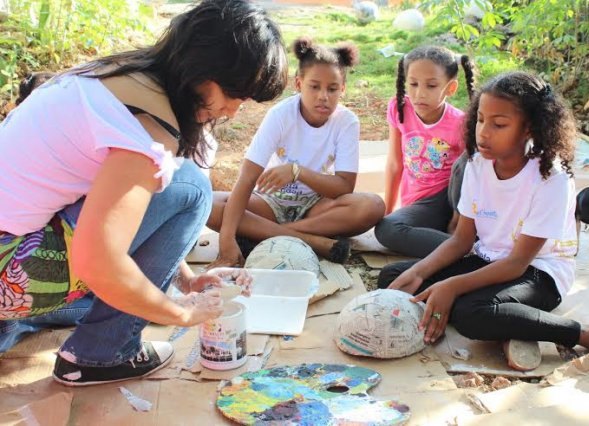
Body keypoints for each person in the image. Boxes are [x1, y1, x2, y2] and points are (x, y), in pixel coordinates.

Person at [0, 0, 287, 385]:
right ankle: (101, 354)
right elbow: (97, 261)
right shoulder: (145, 129)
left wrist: (184, 281)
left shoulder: (118, 75)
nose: (233, 111)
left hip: (13, 251)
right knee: (191, 187)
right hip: (12, 268)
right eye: (234, 93)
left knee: (121, 282)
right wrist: (182, 313)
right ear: (203, 69)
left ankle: (29, 319)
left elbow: (109, 208)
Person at [378, 71, 589, 374]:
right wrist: (419, 271)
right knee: (395, 277)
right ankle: (513, 325)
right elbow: (462, 241)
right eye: (480, 120)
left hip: (540, 274)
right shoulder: (477, 164)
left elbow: (516, 264)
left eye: (499, 124)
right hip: (487, 260)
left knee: (469, 313)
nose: (483, 132)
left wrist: (451, 286)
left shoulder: (551, 178)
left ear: (529, 127)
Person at [208, 37, 385, 267]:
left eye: (332, 89)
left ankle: (268, 235)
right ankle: (314, 242)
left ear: (342, 89)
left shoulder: (347, 122)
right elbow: (248, 177)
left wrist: (296, 171)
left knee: (372, 206)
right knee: (208, 203)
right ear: (299, 84)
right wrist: (227, 239)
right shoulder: (280, 115)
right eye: (314, 86)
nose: (323, 96)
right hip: (270, 203)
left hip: (316, 209)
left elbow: (344, 186)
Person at [374, 45, 476, 258]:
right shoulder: (399, 108)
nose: (419, 94)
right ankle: (460, 248)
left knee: (468, 161)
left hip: (448, 202)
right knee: (386, 228)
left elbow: (471, 175)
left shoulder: (460, 123)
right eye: (412, 84)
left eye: (431, 85)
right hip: (419, 205)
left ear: (451, 88)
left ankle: (463, 247)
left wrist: (458, 220)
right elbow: (395, 162)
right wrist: (389, 211)